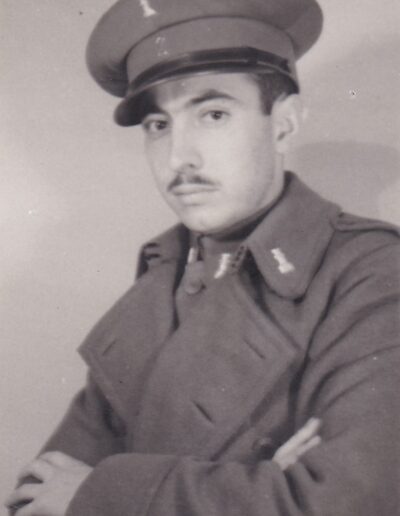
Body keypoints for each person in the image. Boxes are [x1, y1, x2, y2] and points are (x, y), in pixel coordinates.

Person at [6, 0, 400, 515]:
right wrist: (254, 484)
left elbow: (350, 503)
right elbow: (36, 499)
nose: (179, 158)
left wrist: (102, 494)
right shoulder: (163, 273)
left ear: (283, 123)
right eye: (158, 124)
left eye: (213, 114)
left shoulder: (370, 274)